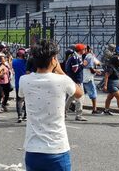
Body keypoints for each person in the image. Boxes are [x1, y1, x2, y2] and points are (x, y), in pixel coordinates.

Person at [19, 40, 83, 171]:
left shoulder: (24, 80)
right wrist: (60, 71)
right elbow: (79, 93)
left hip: (32, 149)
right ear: (53, 60)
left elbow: (21, 94)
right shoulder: (62, 80)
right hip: (57, 148)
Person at [64, 44, 86, 122]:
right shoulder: (75, 57)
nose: (85, 50)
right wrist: (83, 65)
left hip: (75, 80)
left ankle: (63, 111)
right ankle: (79, 115)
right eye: (84, 49)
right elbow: (75, 69)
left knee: (71, 97)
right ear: (80, 50)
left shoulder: (74, 57)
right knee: (80, 97)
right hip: (76, 81)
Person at [82, 46, 101, 115]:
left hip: (83, 77)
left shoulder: (85, 56)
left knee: (81, 93)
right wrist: (96, 71)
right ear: (90, 50)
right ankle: (94, 109)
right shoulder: (90, 56)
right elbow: (91, 68)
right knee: (93, 93)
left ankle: (72, 105)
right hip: (88, 78)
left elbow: (97, 63)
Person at [12, 48, 27, 123]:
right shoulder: (26, 62)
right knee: (27, 100)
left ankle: (19, 116)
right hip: (26, 82)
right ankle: (25, 115)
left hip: (18, 82)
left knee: (19, 100)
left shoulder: (14, 61)